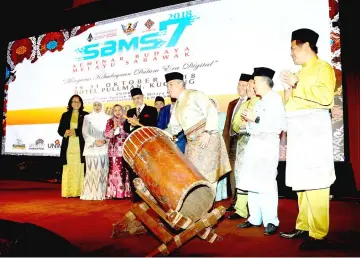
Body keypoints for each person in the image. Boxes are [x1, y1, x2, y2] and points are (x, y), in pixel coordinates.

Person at [279, 28, 336, 250]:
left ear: (305, 46)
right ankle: (303, 226)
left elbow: (325, 97)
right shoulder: (300, 73)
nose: (291, 54)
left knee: (316, 182)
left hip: (313, 131)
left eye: (293, 48)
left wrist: (296, 84)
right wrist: (287, 90)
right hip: (298, 131)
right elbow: (291, 105)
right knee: (302, 181)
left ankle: (319, 233)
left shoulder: (324, 68)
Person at [236, 67, 286, 236]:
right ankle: (254, 217)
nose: (253, 86)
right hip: (254, 145)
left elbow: (277, 125)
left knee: (266, 183)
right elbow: (253, 127)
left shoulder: (275, 100)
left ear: (265, 82)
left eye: (255, 82)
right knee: (252, 181)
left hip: (267, 146)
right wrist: (250, 122)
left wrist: (254, 119)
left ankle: (271, 220)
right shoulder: (261, 101)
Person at [163, 72, 231, 194]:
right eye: (167, 86)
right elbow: (174, 128)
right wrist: (161, 133)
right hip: (192, 144)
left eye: (170, 85)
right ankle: (202, 208)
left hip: (207, 139)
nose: (168, 89)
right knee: (194, 176)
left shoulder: (195, 95)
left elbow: (211, 112)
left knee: (209, 176)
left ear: (180, 84)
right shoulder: (177, 105)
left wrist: (208, 132)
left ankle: (209, 206)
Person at [228, 77, 260, 220]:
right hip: (242, 142)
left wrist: (246, 125)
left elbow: (259, 122)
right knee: (240, 175)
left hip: (256, 141)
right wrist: (243, 126)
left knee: (253, 176)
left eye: (250, 84)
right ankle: (240, 209)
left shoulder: (261, 102)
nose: (248, 87)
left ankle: (255, 212)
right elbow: (235, 124)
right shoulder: (245, 103)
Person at [222, 74, 251, 211]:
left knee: (244, 172)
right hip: (232, 141)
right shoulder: (232, 103)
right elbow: (227, 125)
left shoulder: (253, 101)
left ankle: (246, 202)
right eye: (239, 84)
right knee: (233, 172)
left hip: (245, 141)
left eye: (243, 85)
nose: (240, 87)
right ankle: (235, 201)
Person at [124, 88, 158, 202]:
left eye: (138, 98)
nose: (136, 100)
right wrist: (131, 125)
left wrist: (137, 123)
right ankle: (137, 196)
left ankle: (150, 196)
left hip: (147, 144)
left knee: (148, 169)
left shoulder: (152, 110)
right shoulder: (130, 112)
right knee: (134, 169)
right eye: (134, 99)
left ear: (143, 97)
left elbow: (152, 126)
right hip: (134, 144)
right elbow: (125, 128)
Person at [57, 95, 89, 197]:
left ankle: (80, 192)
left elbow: (87, 130)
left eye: (78, 101)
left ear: (81, 103)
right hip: (69, 145)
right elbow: (60, 130)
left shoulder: (86, 115)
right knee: (69, 167)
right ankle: (69, 192)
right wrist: (65, 132)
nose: (76, 103)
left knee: (80, 167)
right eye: (74, 101)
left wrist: (76, 132)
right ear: (70, 103)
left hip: (80, 145)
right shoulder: (65, 115)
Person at [80, 100, 110, 200]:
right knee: (92, 170)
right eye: (95, 105)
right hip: (91, 148)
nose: (97, 107)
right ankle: (90, 194)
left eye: (99, 105)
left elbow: (110, 133)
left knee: (102, 170)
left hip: (103, 148)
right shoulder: (87, 117)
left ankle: (102, 194)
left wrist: (104, 141)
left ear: (102, 105)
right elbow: (85, 132)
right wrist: (94, 141)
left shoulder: (107, 118)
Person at [104, 104, 131, 199]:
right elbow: (107, 135)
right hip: (114, 150)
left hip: (124, 149)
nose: (118, 112)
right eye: (115, 110)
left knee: (125, 170)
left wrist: (121, 128)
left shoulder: (126, 121)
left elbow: (128, 133)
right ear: (113, 111)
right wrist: (114, 128)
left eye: (119, 110)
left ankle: (125, 193)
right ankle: (115, 193)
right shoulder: (109, 121)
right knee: (114, 171)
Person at [210, 98, 228, 201]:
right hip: (208, 149)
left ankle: (220, 195)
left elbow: (221, 130)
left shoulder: (221, 116)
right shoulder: (204, 118)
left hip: (219, 145)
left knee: (219, 170)